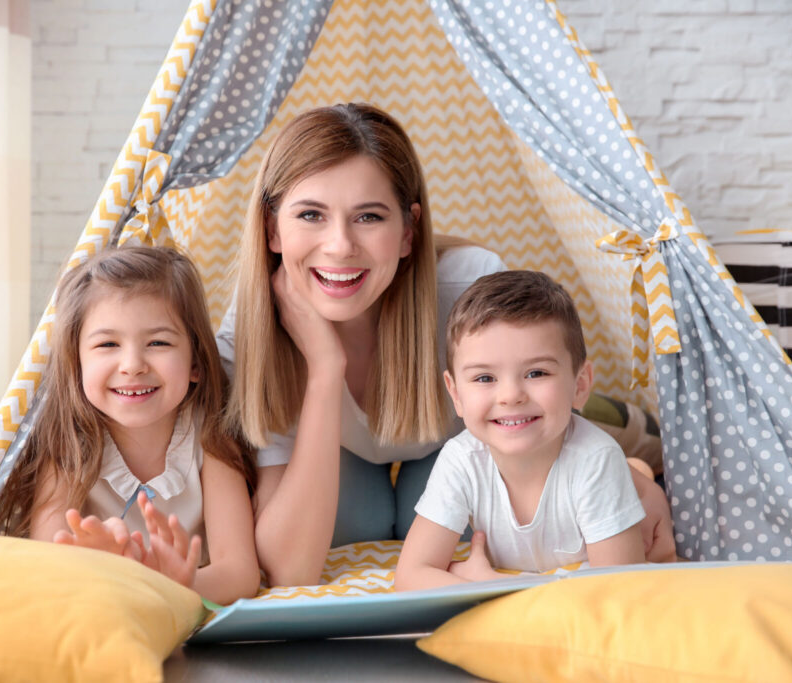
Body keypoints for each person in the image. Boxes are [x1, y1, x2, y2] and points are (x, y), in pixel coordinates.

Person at [216, 103, 674, 587]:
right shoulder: (251, 333)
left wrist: (626, 477)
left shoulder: (468, 287)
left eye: (368, 217)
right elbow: (288, 570)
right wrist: (326, 368)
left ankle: (636, 451)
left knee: (520, 467)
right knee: (356, 518)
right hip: (348, 451)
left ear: (408, 231)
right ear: (272, 229)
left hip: (475, 438)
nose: (340, 246)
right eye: (310, 214)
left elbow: (541, 419)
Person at [0, 246, 260, 605]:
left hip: (185, 613)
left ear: (196, 362)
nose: (132, 365)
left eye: (158, 342)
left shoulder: (210, 440)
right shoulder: (70, 445)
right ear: (76, 363)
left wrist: (165, 586)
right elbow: (47, 564)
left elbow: (240, 574)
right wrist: (102, 569)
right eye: (108, 344)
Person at [395, 271, 646, 590]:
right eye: (485, 378)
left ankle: (640, 477)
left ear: (580, 385)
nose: (510, 395)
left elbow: (620, 592)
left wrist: (486, 583)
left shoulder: (595, 460)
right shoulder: (462, 459)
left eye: (536, 372)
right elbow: (410, 576)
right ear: (456, 394)